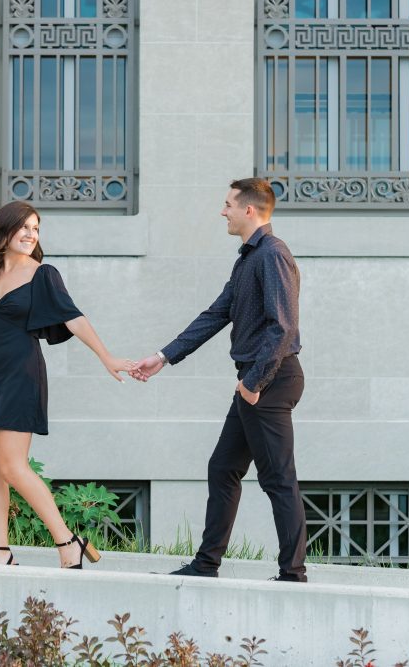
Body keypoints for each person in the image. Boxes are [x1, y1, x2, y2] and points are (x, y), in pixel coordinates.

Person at [130, 178, 308, 582]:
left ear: (250, 210)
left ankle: (293, 575)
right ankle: (206, 564)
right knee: (223, 467)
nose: (222, 211)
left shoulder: (272, 255)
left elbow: (283, 326)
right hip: (255, 381)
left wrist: (255, 383)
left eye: (228, 204)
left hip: (270, 381)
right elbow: (216, 313)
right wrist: (163, 356)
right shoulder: (248, 258)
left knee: (278, 478)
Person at [0, 201, 133, 569]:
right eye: (24, 227)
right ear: (3, 230)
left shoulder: (43, 274)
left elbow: (74, 318)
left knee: (12, 465)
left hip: (22, 374)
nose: (30, 235)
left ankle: (68, 541)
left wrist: (107, 356)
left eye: (35, 229)